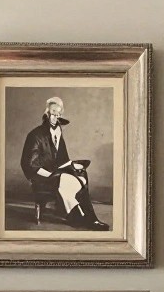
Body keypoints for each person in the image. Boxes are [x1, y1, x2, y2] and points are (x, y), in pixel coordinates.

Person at [20, 96, 109, 231]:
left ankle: (84, 217)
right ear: (46, 114)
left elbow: (63, 159)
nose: (56, 117)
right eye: (53, 113)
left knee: (81, 175)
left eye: (58, 114)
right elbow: (29, 164)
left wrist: (72, 166)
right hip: (41, 177)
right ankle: (83, 218)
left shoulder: (58, 132)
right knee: (66, 181)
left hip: (56, 174)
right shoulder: (35, 135)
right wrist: (52, 175)